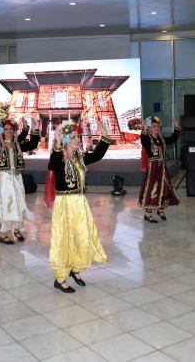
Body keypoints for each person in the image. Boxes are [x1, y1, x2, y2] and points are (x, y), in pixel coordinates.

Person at [46, 119, 112, 293]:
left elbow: (97, 155)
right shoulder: (60, 157)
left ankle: (75, 269)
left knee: (81, 236)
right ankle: (60, 279)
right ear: (66, 139)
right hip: (66, 204)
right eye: (74, 137)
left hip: (80, 203)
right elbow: (52, 165)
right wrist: (58, 143)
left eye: (78, 137)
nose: (78, 140)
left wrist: (104, 135)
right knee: (66, 239)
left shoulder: (80, 157)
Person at [0, 116, 39, 244]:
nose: (8, 131)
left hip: (17, 177)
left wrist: (34, 127)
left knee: (19, 203)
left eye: (10, 129)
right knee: (6, 204)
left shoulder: (17, 145)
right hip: (5, 178)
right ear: (2, 131)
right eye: (6, 129)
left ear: (14, 131)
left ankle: (17, 230)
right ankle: (3, 234)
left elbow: (33, 144)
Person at [138, 116, 181, 222]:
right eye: (153, 126)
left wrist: (176, 126)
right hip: (153, 168)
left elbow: (173, 138)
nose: (156, 128)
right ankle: (148, 214)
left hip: (162, 168)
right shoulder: (148, 139)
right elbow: (144, 141)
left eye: (157, 126)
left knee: (165, 189)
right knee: (152, 189)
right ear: (149, 128)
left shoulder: (161, 139)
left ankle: (161, 209)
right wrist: (144, 128)